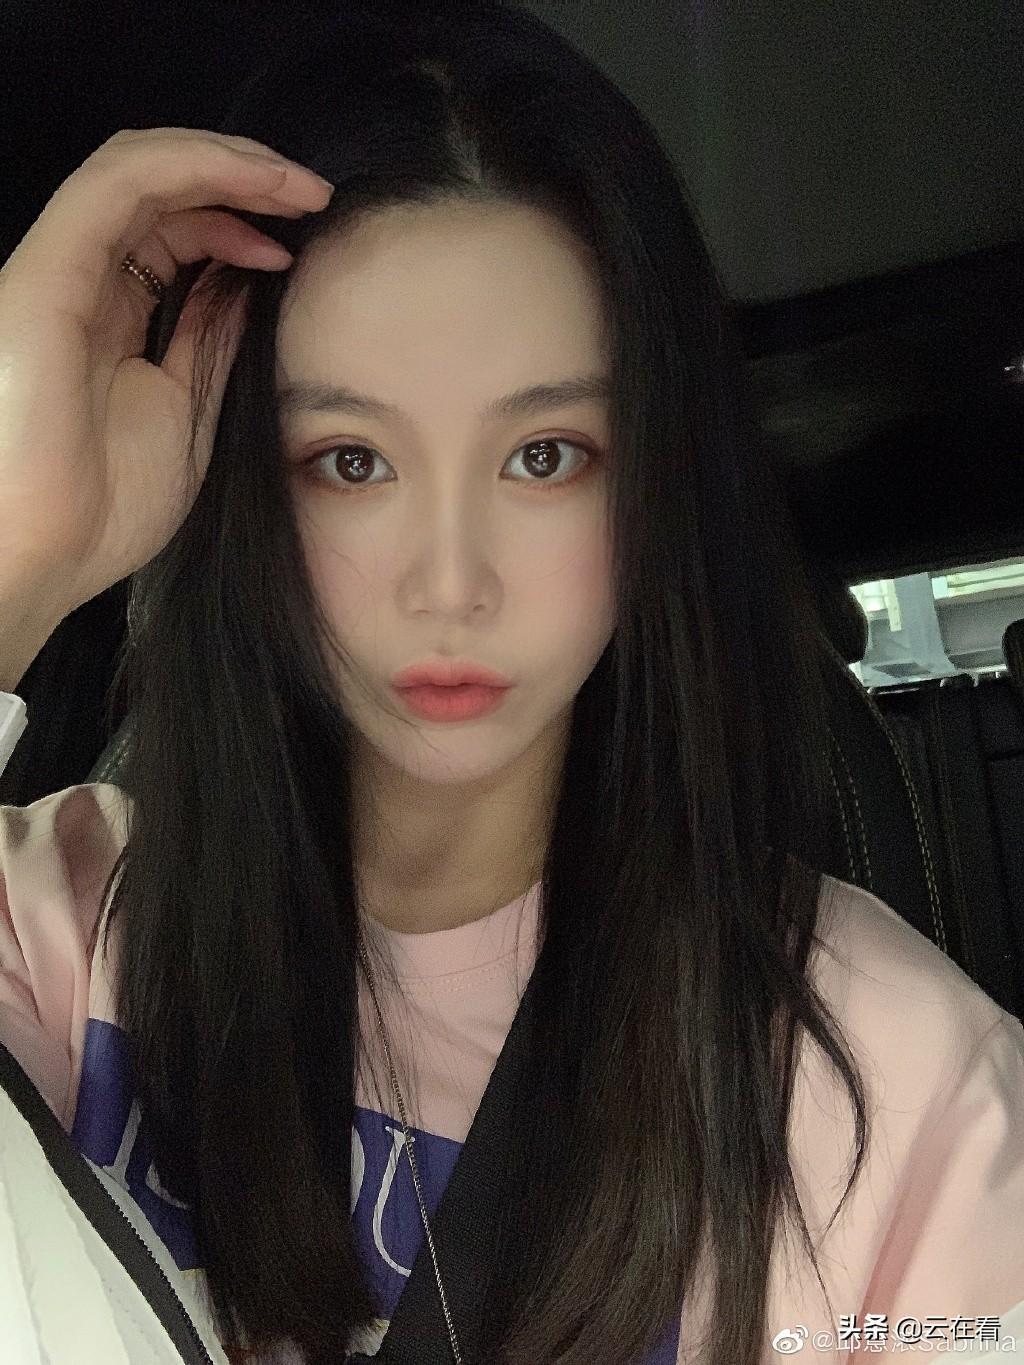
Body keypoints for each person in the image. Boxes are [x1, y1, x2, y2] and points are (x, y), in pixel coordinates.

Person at [0, 4, 1022, 1363]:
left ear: (652, 483)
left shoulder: (906, 1087)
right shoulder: (58, 937)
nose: (450, 583)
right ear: (249, 490)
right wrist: (11, 553)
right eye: (351, 461)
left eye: (546, 456)